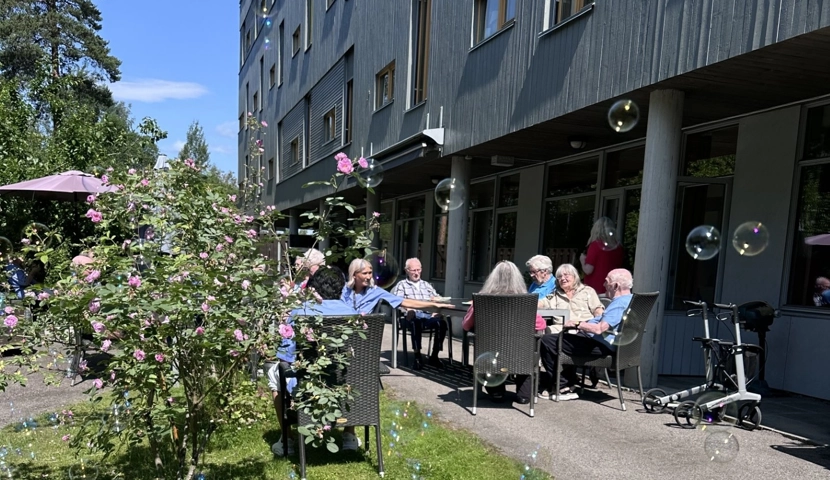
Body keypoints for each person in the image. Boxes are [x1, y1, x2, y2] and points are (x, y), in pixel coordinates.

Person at [267, 265, 361, 456]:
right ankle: (350, 435)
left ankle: (288, 439)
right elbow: (359, 355)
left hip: (308, 386)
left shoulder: (300, 313)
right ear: (341, 288)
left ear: (313, 288)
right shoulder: (354, 314)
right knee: (354, 370)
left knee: (272, 373)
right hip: (344, 384)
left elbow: (284, 356)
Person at [537, 268, 634, 401]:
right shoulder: (631, 300)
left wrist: (578, 324)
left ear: (616, 285)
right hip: (604, 341)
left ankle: (562, 386)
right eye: (560, 276)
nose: (604, 285)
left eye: (606, 282)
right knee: (561, 339)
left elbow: (600, 329)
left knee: (547, 341)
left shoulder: (618, 303)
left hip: (600, 345)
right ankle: (563, 383)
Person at [462, 261, 546, 404]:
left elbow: (465, 325)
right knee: (527, 350)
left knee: (488, 349)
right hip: (519, 354)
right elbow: (540, 324)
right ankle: (524, 394)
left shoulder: (482, 299)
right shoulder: (525, 301)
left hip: (490, 353)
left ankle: (496, 391)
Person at [341, 258, 453, 317]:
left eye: (370, 273)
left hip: (362, 331)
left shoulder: (375, 291)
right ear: (354, 275)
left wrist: (434, 305)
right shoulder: (343, 290)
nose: (369, 276)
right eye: (364, 273)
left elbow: (404, 302)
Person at [391, 258, 448, 370]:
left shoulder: (426, 285)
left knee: (442, 324)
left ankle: (434, 355)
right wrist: (408, 309)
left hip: (427, 315)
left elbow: (437, 298)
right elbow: (398, 301)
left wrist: (436, 306)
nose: (416, 273)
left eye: (418, 270)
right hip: (410, 316)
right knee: (415, 322)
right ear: (407, 270)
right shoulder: (402, 285)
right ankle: (417, 357)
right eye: (413, 270)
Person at [539, 264, 604, 333]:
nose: (563, 278)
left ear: (575, 277)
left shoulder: (587, 291)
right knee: (541, 332)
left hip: (583, 328)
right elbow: (542, 303)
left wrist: (599, 325)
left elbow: (598, 309)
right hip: (560, 329)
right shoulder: (554, 295)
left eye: (566, 275)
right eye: (559, 277)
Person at [580, 217, 625, 293]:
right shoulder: (618, 247)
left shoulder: (595, 245)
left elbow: (588, 270)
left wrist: (582, 260)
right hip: (612, 289)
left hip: (595, 289)